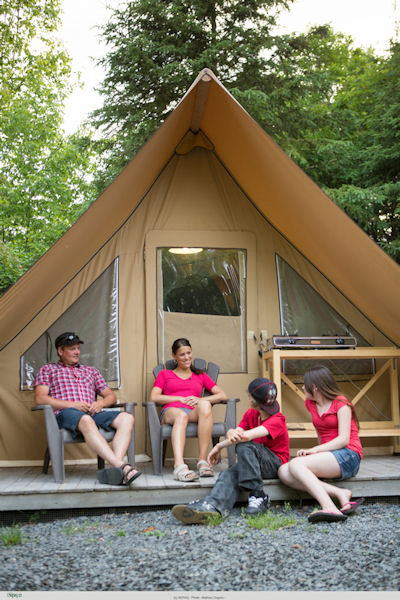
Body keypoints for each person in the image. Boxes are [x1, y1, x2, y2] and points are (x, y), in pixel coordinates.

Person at [172, 377, 290, 524]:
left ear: (253, 399)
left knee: (245, 445)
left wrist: (219, 446)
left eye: (249, 395)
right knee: (229, 473)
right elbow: (236, 432)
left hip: (274, 464)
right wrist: (231, 433)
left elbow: (245, 436)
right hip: (253, 463)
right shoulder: (251, 414)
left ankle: (258, 495)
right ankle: (213, 506)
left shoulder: (278, 420)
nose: (248, 397)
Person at [33, 332, 141, 486]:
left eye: (78, 348)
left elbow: (110, 396)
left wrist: (101, 404)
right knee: (86, 420)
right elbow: (40, 398)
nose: (77, 352)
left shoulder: (91, 371)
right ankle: (123, 467)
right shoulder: (48, 370)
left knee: (127, 418)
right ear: (60, 351)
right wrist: (72, 404)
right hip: (65, 414)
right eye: (72, 349)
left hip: (92, 412)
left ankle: (116, 469)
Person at [278, 365, 364, 523]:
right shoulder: (311, 404)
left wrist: (314, 451)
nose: (303, 387)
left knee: (296, 464)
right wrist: (316, 456)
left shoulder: (341, 403)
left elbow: (343, 439)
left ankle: (329, 506)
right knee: (283, 471)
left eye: (305, 384)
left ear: (315, 387)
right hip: (329, 456)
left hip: (349, 455)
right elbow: (320, 432)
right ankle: (340, 493)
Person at [150, 337, 228, 481]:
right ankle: (179, 466)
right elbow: (154, 397)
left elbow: (222, 395)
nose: (187, 357)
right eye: (182, 354)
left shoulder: (200, 375)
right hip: (171, 411)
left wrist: (201, 399)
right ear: (174, 356)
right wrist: (178, 399)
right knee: (181, 415)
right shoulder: (165, 374)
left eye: (188, 353)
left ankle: (203, 461)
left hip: (192, 411)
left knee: (205, 405)